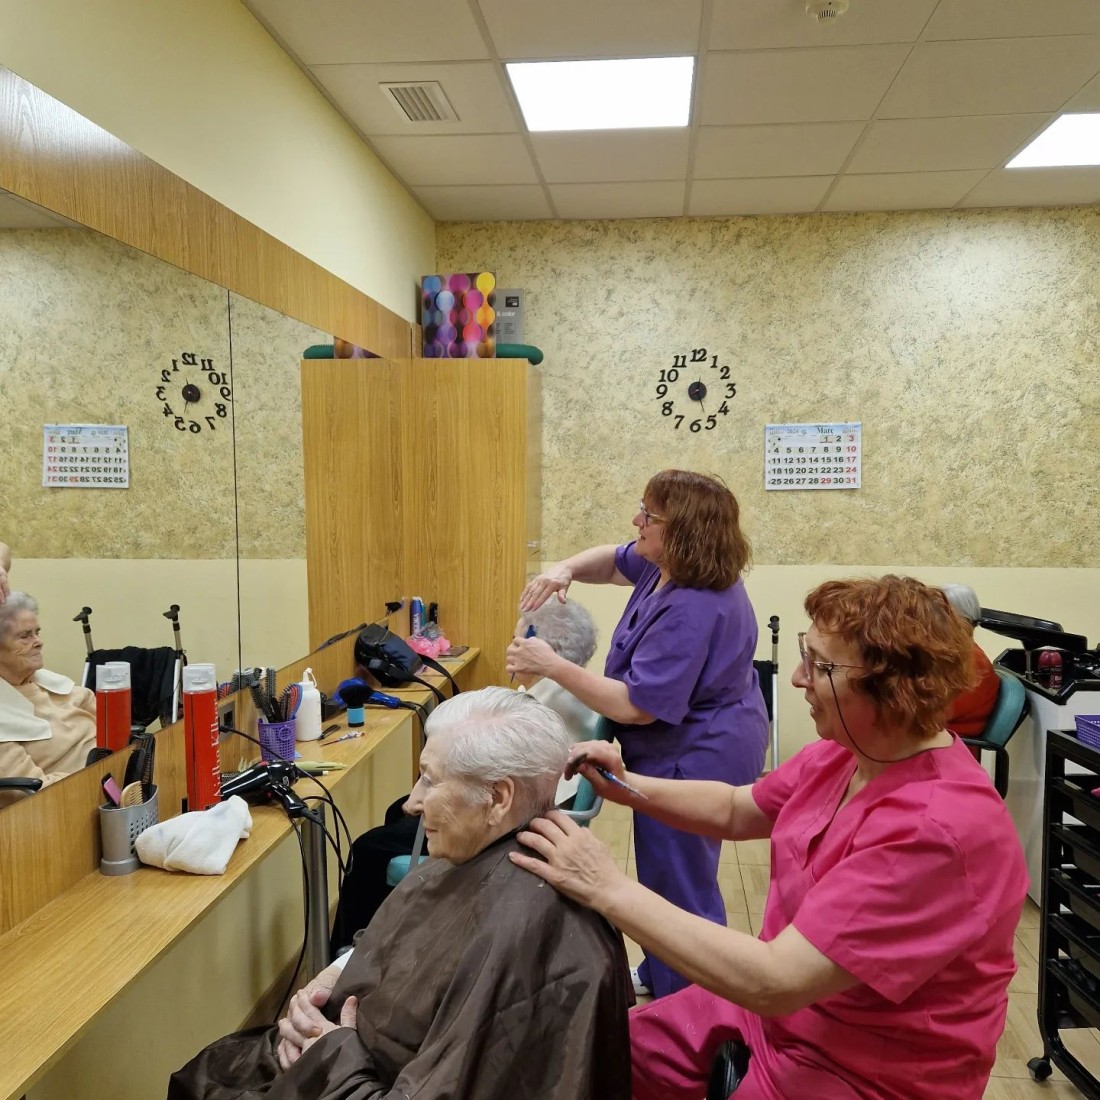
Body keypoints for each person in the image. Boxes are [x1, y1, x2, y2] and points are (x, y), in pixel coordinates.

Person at [511, 575, 1028, 1100]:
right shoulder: (848, 754)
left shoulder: (934, 831)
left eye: (821, 666)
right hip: (778, 1016)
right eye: (807, 654)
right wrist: (626, 785)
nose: (799, 677)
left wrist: (605, 886)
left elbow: (775, 980)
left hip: (863, 1068)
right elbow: (737, 809)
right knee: (592, 1052)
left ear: (892, 689)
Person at [169, 688, 631, 1100]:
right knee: (209, 1070)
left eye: (430, 779)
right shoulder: (477, 856)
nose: (412, 802)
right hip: (339, 1051)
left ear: (498, 798)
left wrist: (330, 1053)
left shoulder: (529, 932)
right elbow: (410, 939)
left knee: (206, 1081)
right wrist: (331, 978)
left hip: (347, 1071)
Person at [508, 469, 768, 998]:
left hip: (698, 751)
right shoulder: (666, 566)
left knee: (679, 885)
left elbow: (637, 707)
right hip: (690, 737)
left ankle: (690, 1008)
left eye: (648, 515)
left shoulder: (693, 606)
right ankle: (660, 974)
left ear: (682, 531)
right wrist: (564, 570)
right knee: (667, 874)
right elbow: (611, 560)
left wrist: (552, 664)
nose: (636, 520)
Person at [329, 598, 600, 952]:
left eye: (517, 640)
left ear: (538, 646)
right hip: (526, 817)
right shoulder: (576, 699)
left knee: (368, 850)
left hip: (507, 829)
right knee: (399, 810)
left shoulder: (538, 711)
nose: (510, 648)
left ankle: (354, 954)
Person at [0, 592, 95, 788]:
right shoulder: (4, 720)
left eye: (37, 632)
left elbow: (116, 731)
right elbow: (29, 793)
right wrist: (95, 776)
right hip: (75, 796)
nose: (38, 642)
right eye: (25, 636)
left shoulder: (58, 687)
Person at [941, 583, 1001, 737]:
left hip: (953, 744)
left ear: (960, 620)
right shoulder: (953, 653)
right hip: (935, 737)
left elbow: (938, 713)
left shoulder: (974, 662)